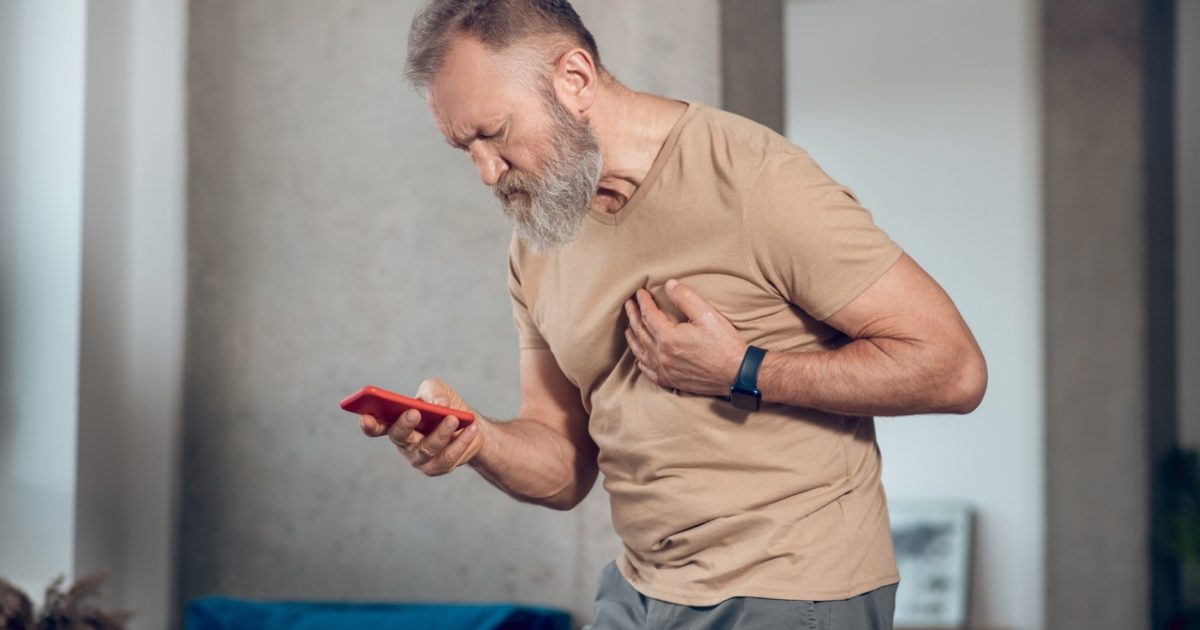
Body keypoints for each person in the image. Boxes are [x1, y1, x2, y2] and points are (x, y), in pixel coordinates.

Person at [358, 1, 988, 628]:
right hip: (640, 590)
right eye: (463, 147)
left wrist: (745, 369)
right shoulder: (538, 237)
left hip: (791, 586)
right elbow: (565, 463)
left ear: (573, 80)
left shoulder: (756, 181)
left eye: (493, 133)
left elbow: (954, 369)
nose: (487, 172)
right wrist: (477, 439)